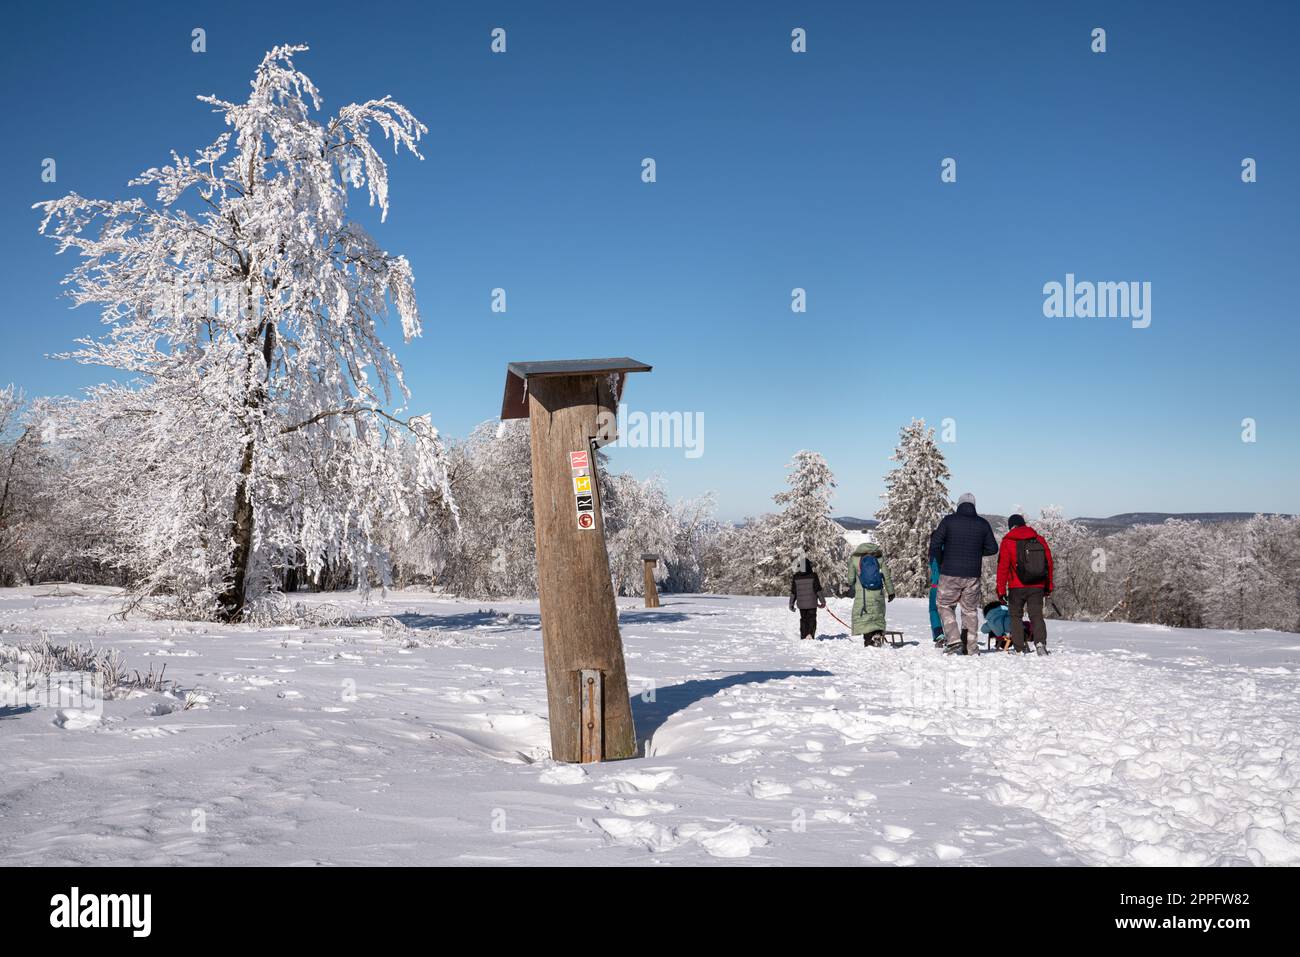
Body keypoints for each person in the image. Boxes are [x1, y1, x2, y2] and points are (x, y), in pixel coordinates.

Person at [929, 492, 998, 655]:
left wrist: (944, 558)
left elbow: (935, 543)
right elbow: (993, 548)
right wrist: (975, 552)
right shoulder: (982, 524)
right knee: (970, 610)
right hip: (973, 575)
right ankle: (971, 647)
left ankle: (953, 639)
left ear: (959, 505)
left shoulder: (948, 521)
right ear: (974, 505)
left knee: (944, 604)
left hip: (950, 573)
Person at [996, 513, 1054, 655]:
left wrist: (1001, 590)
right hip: (1037, 585)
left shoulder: (1008, 541)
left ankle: (1020, 646)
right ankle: (1040, 644)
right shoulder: (1039, 539)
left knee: (1015, 616)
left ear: (1011, 526)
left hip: (1016, 586)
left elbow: (1002, 568)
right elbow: (1049, 564)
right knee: (1036, 615)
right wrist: (1048, 585)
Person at [849, 541, 895, 646]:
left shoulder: (854, 559)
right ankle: (877, 633)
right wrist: (891, 592)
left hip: (863, 595)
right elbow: (886, 577)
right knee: (877, 615)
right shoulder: (879, 559)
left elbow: (850, 580)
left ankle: (869, 640)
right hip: (878, 594)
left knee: (865, 617)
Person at [789, 557, 826, 640]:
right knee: (812, 618)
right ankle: (810, 634)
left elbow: (793, 592)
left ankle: (803, 635)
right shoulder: (813, 576)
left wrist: (791, 604)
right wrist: (822, 601)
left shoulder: (796, 577)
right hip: (812, 603)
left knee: (803, 619)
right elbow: (818, 590)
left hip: (801, 604)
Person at [928, 558, 944, 642]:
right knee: (949, 610)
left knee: (933, 609)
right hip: (950, 586)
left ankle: (938, 633)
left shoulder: (934, 552)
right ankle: (951, 633)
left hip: (936, 585)